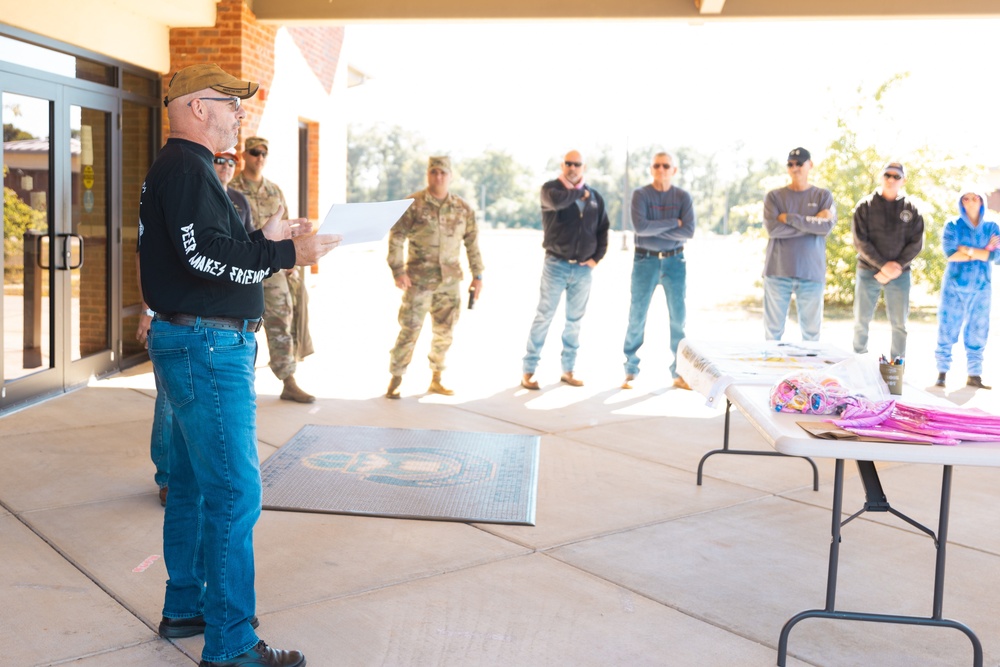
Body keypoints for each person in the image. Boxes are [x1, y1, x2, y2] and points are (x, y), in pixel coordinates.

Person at [140, 62, 339, 667]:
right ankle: (230, 645)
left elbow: (209, 248)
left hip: (194, 342)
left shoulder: (191, 171)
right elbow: (204, 259)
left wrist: (268, 236)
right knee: (233, 493)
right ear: (198, 107)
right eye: (231, 104)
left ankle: (186, 606)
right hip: (207, 348)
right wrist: (284, 252)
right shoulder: (186, 168)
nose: (239, 114)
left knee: (196, 485)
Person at [136, 148, 257, 508]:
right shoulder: (182, 182)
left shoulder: (237, 201)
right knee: (170, 405)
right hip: (185, 324)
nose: (224, 166)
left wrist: (272, 249)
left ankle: (185, 481)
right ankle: (166, 476)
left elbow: (241, 252)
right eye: (218, 160)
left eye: (230, 162)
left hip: (221, 324)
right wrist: (146, 307)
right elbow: (154, 257)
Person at [385, 156, 484, 398]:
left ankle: (436, 378)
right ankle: (396, 378)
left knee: (444, 332)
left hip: (449, 283)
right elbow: (396, 237)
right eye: (434, 172)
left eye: (443, 173)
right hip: (418, 281)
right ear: (428, 174)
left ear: (450, 175)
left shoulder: (463, 208)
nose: (438, 177)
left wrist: (477, 274)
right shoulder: (413, 204)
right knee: (410, 330)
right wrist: (398, 271)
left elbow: (472, 243)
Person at [230, 136, 316, 403]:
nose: (260, 158)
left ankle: (287, 379)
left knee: (282, 320)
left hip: (273, 269)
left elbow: (287, 227)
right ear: (245, 155)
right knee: (237, 327)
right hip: (240, 269)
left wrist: (291, 260)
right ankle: (238, 383)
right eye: (255, 152)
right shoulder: (231, 189)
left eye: (264, 153)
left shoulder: (274, 191)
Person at [521, 150, 609, 389]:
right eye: (569, 163)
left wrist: (596, 259)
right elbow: (560, 202)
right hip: (556, 266)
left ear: (583, 167)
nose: (572, 167)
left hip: (582, 270)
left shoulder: (595, 198)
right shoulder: (551, 190)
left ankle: (568, 370)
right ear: (562, 165)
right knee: (544, 316)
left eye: (577, 164)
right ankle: (529, 370)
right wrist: (580, 191)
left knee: (574, 321)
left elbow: (603, 230)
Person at [621, 151, 695, 391]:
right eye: (656, 165)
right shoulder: (641, 195)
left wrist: (658, 229)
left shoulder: (683, 197)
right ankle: (630, 370)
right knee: (637, 316)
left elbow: (689, 232)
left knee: (678, 320)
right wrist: (675, 223)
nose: (661, 169)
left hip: (675, 262)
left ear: (674, 170)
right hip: (646, 261)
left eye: (666, 166)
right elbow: (641, 228)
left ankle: (679, 373)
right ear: (651, 169)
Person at [851, 161, 924, 362]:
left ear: (903, 180)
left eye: (896, 176)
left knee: (899, 324)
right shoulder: (865, 207)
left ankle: (896, 369)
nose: (891, 180)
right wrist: (883, 266)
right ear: (881, 177)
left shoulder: (912, 209)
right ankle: (860, 363)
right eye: (887, 175)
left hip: (900, 274)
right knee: (861, 321)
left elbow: (916, 243)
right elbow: (860, 241)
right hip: (868, 271)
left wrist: (896, 266)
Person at [762, 147, 836, 341]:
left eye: (799, 163)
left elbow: (825, 228)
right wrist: (811, 222)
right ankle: (772, 371)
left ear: (810, 165)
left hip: (811, 273)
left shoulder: (823, 196)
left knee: (811, 335)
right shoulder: (774, 197)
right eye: (790, 164)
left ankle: (810, 372)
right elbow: (773, 230)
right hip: (777, 272)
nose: (795, 167)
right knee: (773, 334)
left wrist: (789, 218)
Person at [934, 189, 1000, 389]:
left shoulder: (991, 227)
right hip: (954, 285)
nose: (971, 202)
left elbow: (996, 257)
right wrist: (983, 251)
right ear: (961, 202)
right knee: (947, 326)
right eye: (966, 198)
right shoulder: (953, 226)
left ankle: (974, 374)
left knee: (978, 329)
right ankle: (942, 372)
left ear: (982, 201)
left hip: (982, 286)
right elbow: (951, 254)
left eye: (975, 198)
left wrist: (968, 250)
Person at [214, 149, 254, 234]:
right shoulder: (202, 195)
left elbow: (250, 236)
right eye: (220, 161)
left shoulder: (240, 198)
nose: (226, 166)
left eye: (231, 162)